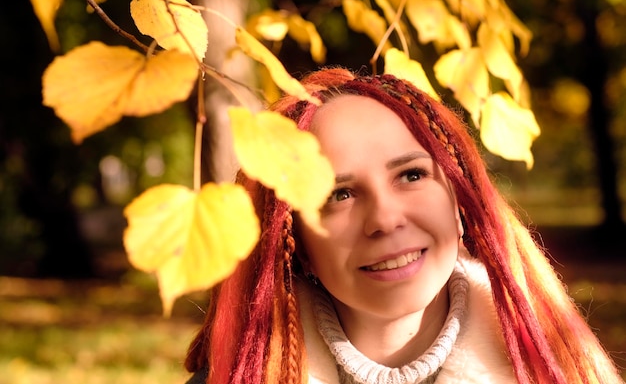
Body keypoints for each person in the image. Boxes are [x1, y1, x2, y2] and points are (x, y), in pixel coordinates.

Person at [183, 67, 624, 384]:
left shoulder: (560, 368)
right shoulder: (230, 377)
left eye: (412, 175)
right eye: (339, 194)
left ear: (458, 199)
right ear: (293, 241)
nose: (385, 219)